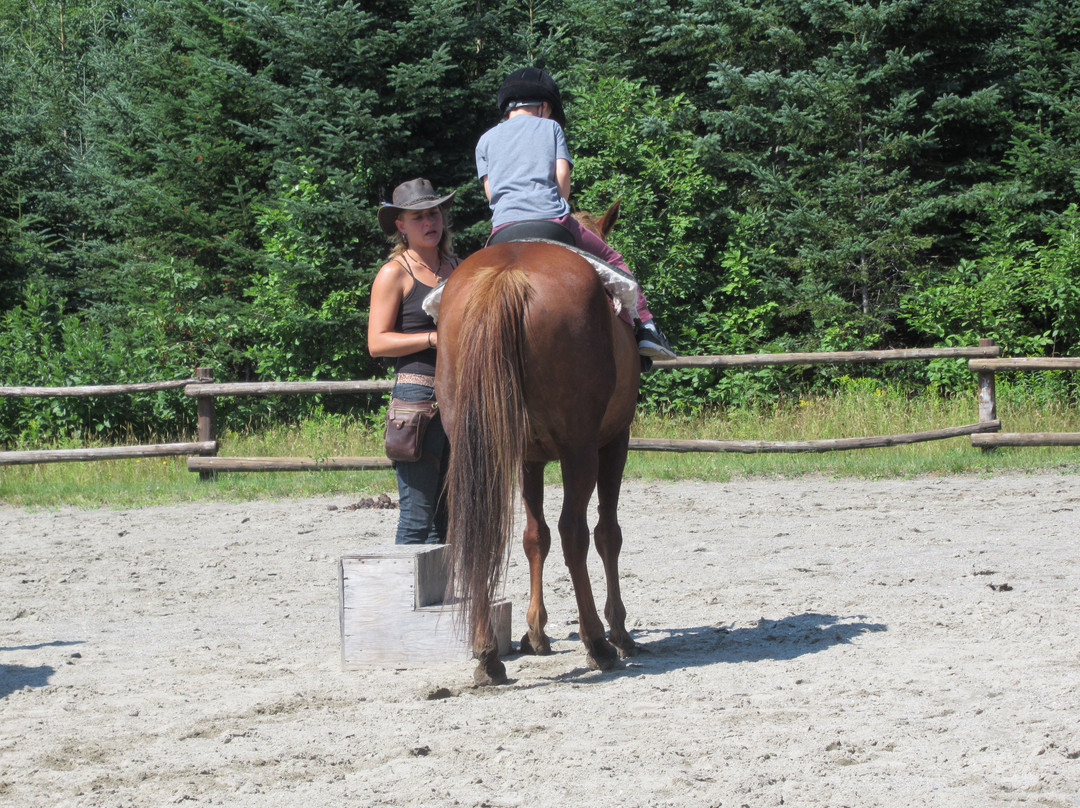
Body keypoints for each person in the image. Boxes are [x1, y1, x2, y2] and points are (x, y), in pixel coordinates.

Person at [475, 66, 676, 360]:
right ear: (544, 107)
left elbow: (491, 194)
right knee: (613, 259)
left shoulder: (485, 141)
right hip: (552, 224)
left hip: (502, 231)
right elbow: (562, 185)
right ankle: (646, 327)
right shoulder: (550, 128)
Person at [368, 178, 460, 544]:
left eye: (434, 213)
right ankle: (405, 600)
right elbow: (377, 342)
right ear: (401, 226)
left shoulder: (460, 269)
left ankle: (441, 599)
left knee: (449, 517)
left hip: (460, 396)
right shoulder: (394, 273)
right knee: (417, 516)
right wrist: (433, 338)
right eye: (418, 216)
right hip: (416, 400)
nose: (429, 222)